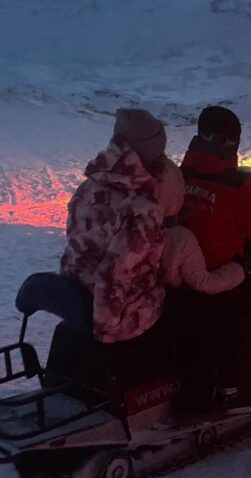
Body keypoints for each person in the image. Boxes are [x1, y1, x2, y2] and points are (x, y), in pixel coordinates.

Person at [178, 106, 251, 414]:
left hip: (175, 273)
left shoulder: (179, 176)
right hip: (216, 275)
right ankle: (239, 388)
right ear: (230, 143)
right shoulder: (238, 187)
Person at [60, 108, 168, 343]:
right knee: (168, 300)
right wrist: (106, 332)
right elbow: (115, 275)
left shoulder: (90, 185)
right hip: (111, 309)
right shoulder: (140, 206)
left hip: (76, 290)